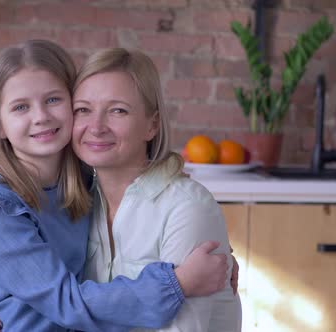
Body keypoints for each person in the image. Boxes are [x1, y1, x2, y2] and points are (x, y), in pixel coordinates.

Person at [0, 40, 231, 332]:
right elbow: (67, 303)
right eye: (21, 107)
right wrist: (177, 284)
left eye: (53, 100)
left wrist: (221, 258)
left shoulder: (85, 186)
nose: (41, 117)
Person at [73, 48, 242, 331]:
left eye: (118, 110)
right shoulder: (75, 201)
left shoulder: (187, 207)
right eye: (83, 110)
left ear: (152, 125)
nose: (97, 126)